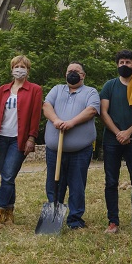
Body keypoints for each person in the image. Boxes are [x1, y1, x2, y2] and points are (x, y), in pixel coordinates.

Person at [0, 55, 43, 226]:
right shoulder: (2, 90)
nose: (19, 69)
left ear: (28, 70)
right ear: (11, 69)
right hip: (0, 138)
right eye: (16, 66)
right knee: (7, 177)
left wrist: (31, 137)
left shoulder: (35, 90)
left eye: (23, 66)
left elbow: (35, 115)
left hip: (19, 140)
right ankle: (9, 213)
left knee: (8, 176)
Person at [43, 61, 101, 229]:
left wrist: (71, 123)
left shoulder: (90, 92)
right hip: (55, 150)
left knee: (77, 185)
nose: (72, 73)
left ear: (83, 75)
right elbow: (46, 106)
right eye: (69, 71)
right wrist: (56, 120)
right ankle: (53, 217)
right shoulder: (57, 89)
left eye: (76, 71)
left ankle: (75, 219)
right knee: (54, 184)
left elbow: (91, 110)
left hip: (80, 151)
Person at [99, 50, 132, 234]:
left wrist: (128, 132)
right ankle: (113, 222)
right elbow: (103, 112)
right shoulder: (109, 86)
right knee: (111, 181)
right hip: (111, 141)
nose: (124, 65)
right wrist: (118, 132)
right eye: (121, 62)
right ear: (116, 64)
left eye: (128, 62)